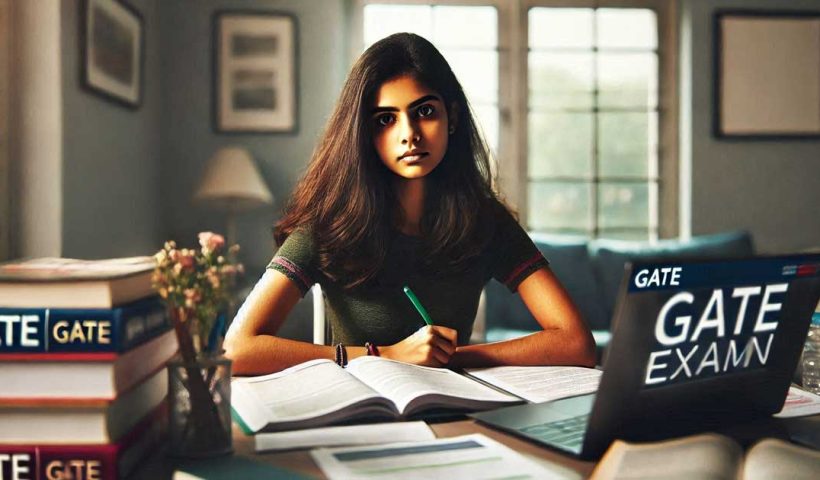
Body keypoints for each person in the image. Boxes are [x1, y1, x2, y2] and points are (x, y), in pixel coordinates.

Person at [224, 33, 595, 375]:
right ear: (364, 133)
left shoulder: (484, 221)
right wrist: (384, 355)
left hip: (453, 412)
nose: (410, 135)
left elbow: (576, 342)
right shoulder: (329, 227)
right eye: (386, 119)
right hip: (360, 416)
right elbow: (238, 348)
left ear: (452, 118)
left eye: (425, 112)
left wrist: (451, 357)